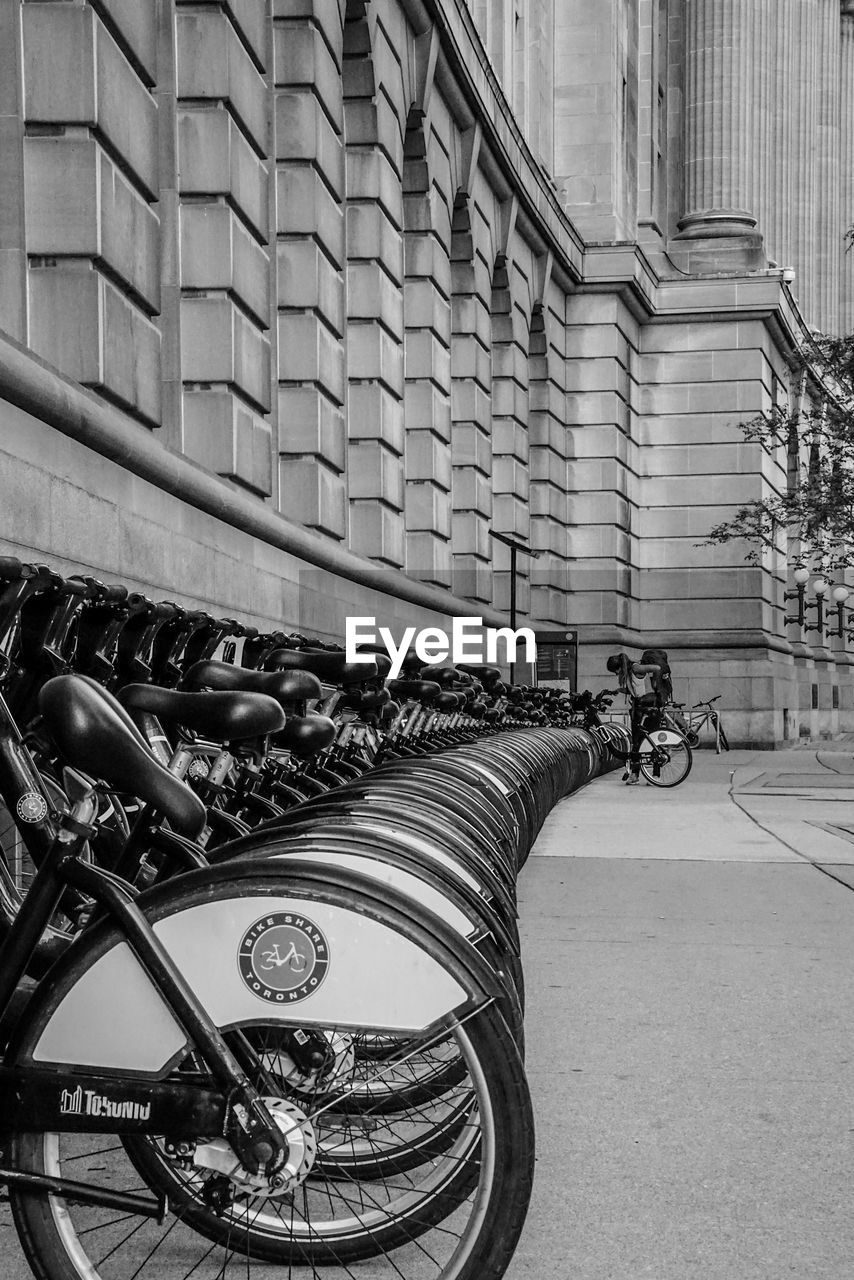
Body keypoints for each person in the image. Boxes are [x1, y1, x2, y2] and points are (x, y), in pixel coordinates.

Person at [606, 652, 665, 785]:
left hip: (650, 708)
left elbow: (657, 668)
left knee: (653, 741)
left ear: (620, 666)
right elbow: (637, 688)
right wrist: (622, 690)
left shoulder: (636, 668)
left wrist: (655, 686)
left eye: (616, 671)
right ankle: (635, 775)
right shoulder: (629, 673)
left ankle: (656, 775)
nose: (616, 674)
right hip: (639, 709)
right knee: (637, 743)